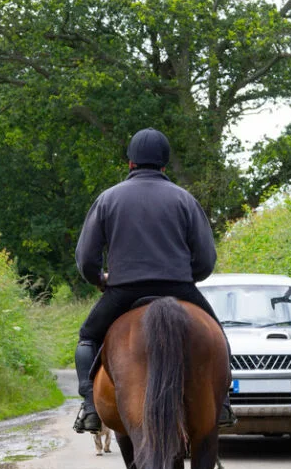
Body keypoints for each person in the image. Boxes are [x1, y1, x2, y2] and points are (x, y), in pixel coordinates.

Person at [73, 127, 237, 434]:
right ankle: (224, 404)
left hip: (124, 289)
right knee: (218, 335)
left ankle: (90, 408)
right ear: (164, 163)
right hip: (178, 288)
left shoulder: (108, 199)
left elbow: (86, 258)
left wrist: (101, 279)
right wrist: (187, 278)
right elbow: (205, 259)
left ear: (130, 162)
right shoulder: (185, 200)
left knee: (88, 337)